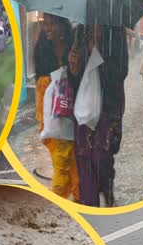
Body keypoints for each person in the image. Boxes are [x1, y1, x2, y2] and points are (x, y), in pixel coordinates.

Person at [69, 23, 128, 207]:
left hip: (109, 106)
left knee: (102, 155)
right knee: (84, 156)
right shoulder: (79, 33)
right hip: (84, 108)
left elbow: (121, 72)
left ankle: (106, 187)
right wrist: (73, 66)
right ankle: (90, 202)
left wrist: (100, 54)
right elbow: (73, 77)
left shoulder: (116, 34)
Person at [34, 13, 80, 201]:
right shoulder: (42, 47)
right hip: (49, 107)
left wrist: (73, 63)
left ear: (63, 25)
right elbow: (40, 77)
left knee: (72, 158)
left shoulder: (75, 46)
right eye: (45, 24)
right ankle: (63, 195)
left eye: (52, 24)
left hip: (71, 108)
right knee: (60, 156)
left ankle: (74, 196)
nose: (48, 29)